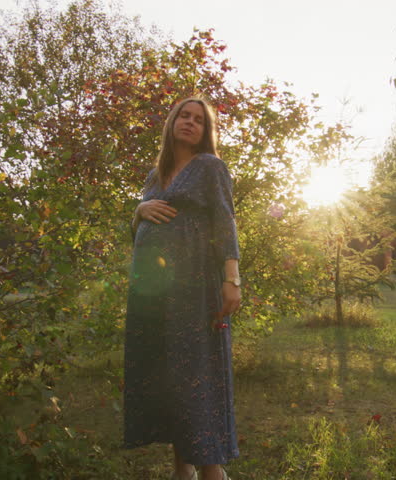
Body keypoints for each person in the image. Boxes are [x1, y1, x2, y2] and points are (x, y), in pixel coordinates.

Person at [123, 96, 241, 480]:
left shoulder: (210, 167)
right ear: (171, 121)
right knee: (166, 372)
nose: (190, 123)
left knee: (194, 371)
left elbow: (225, 221)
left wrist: (231, 279)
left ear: (206, 132)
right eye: (184, 116)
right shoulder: (156, 175)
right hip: (152, 292)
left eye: (199, 120)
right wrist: (139, 210)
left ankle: (211, 471)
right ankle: (181, 470)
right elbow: (138, 228)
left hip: (193, 285)